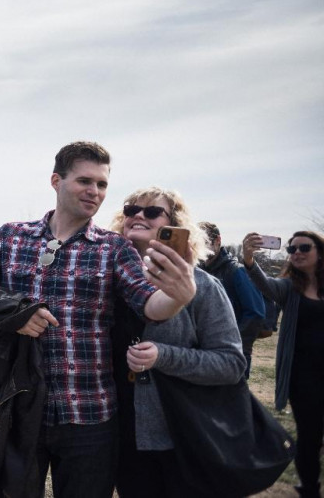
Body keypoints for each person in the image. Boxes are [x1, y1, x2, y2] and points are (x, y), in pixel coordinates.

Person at [0, 141, 196, 498]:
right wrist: (14, 317)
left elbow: (149, 304)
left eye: (102, 184)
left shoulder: (112, 248)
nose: (94, 191)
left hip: (90, 411)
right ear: (56, 180)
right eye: (84, 181)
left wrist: (178, 296)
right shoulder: (12, 236)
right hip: (16, 406)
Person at [111, 190, 246, 497]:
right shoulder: (107, 283)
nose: (138, 215)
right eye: (131, 209)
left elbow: (232, 364)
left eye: (152, 212)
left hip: (183, 434)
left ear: (177, 224)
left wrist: (164, 355)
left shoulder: (203, 286)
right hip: (121, 434)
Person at [242, 230, 324, 498]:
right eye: (291, 250)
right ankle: (309, 489)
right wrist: (249, 259)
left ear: (319, 251)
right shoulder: (289, 288)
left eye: (303, 247)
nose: (296, 252)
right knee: (310, 437)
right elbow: (264, 284)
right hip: (304, 379)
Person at [199, 221, 266, 377]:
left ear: (218, 241)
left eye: (206, 241)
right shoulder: (199, 272)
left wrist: (231, 345)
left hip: (232, 354)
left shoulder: (237, 271)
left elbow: (255, 314)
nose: (202, 246)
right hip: (205, 354)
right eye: (197, 242)